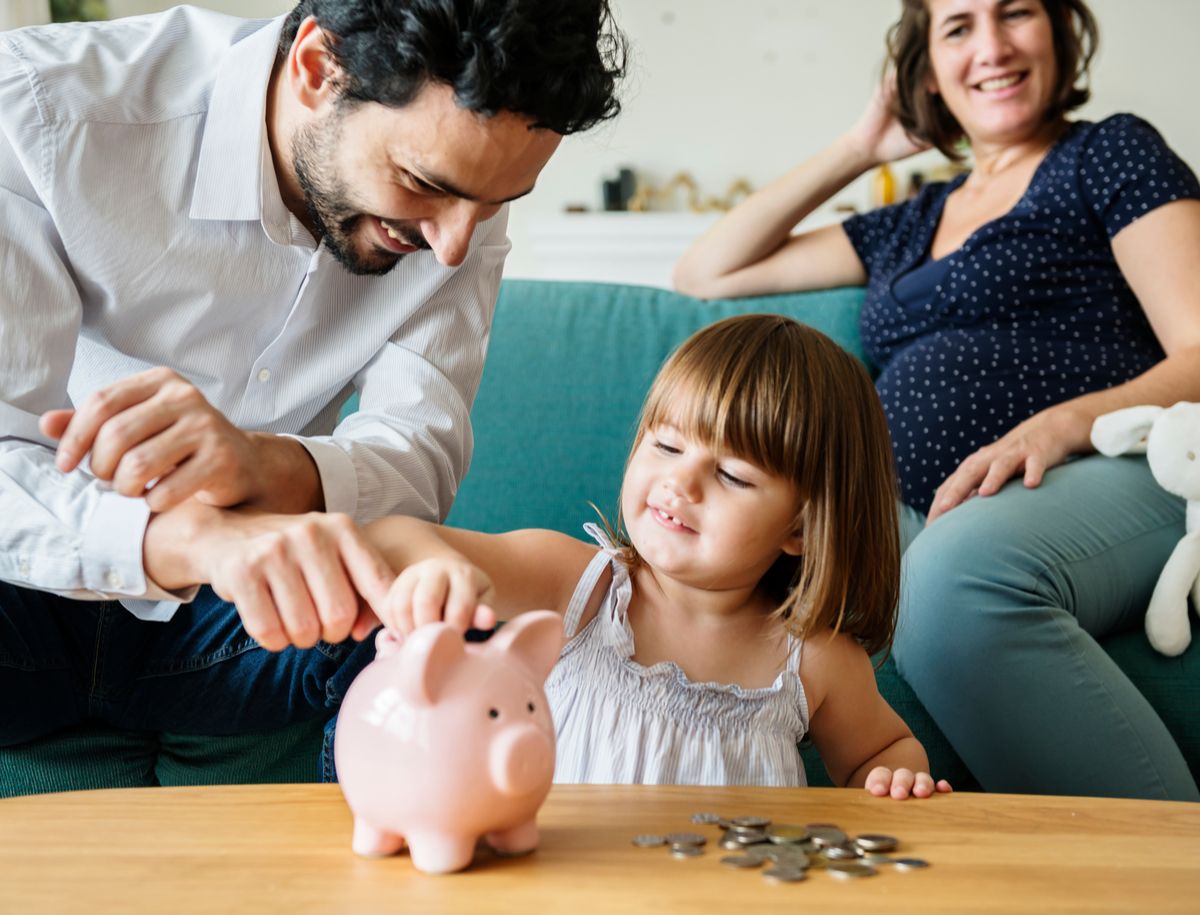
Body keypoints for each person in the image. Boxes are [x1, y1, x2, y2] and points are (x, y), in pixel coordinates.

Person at [0, 0, 623, 755]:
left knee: (427, 625)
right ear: (317, 67)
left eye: (494, 207)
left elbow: (416, 461)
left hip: (242, 620)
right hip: (29, 598)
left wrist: (269, 464)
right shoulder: (39, 110)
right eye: (423, 182)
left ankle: (408, 846)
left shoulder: (460, 216)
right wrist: (188, 537)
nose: (455, 245)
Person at [673, 0, 1200, 800]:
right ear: (924, 70)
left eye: (1015, 12)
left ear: (1058, 32)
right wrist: (859, 147)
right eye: (958, 27)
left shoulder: (1108, 154)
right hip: (925, 503)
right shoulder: (909, 219)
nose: (991, 45)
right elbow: (706, 272)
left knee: (954, 583)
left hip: (1113, 463)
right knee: (740, 556)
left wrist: (1064, 424)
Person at [363, 314, 953, 796]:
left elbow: (881, 752)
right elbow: (393, 539)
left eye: (732, 475)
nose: (681, 482)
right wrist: (437, 569)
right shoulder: (578, 586)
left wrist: (896, 779)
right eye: (666, 444)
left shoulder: (814, 658)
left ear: (800, 529)